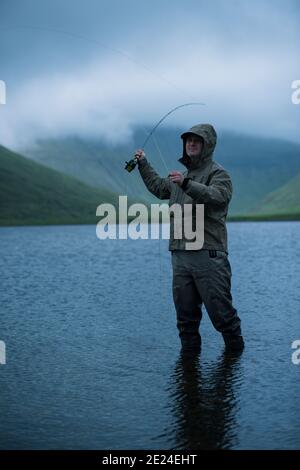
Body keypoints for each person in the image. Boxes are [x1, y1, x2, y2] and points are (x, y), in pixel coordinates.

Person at [135, 123, 244, 353]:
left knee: (223, 318)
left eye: (197, 140)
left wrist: (186, 184)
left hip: (208, 254)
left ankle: (233, 371)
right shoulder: (179, 177)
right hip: (180, 256)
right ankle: (188, 378)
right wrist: (143, 164)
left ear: (207, 145)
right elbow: (158, 186)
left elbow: (218, 197)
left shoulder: (218, 174)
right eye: (188, 140)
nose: (191, 143)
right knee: (186, 322)